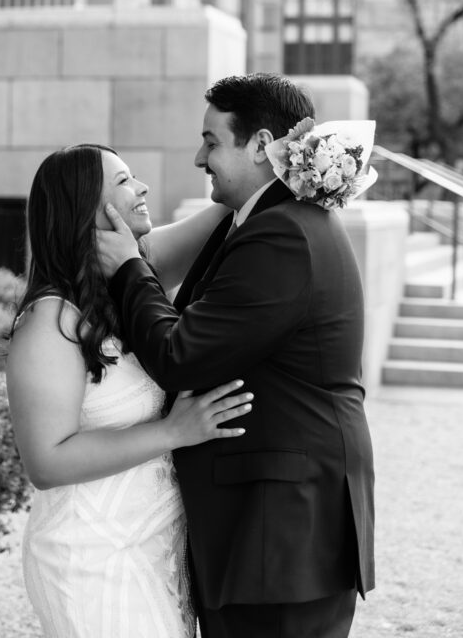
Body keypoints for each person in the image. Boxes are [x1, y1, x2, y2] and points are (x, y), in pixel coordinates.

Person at [97, 73, 376, 638]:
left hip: (279, 536)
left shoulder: (281, 235)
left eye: (211, 141)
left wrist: (128, 268)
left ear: (259, 144)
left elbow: (181, 355)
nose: (200, 157)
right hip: (272, 530)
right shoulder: (265, 219)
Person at [5, 144, 253, 638]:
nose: (141, 188)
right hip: (90, 553)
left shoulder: (135, 273)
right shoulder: (49, 320)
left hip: (155, 545)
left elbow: (236, 202)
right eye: (123, 182)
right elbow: (46, 463)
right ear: (85, 210)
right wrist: (174, 432)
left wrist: (307, 160)